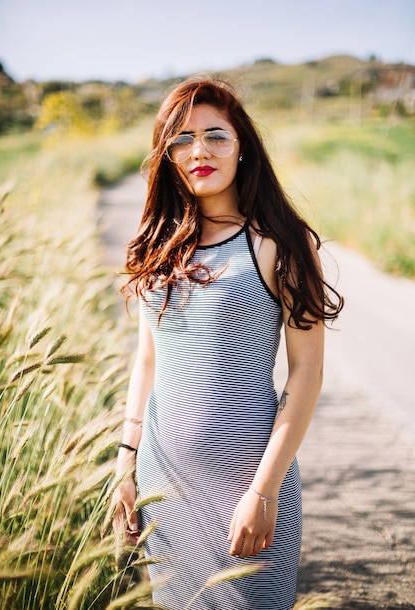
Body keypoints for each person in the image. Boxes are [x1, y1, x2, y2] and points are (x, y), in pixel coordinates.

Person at [113, 77, 343, 610]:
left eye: (216, 136)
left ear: (243, 144)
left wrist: (264, 493)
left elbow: (306, 372)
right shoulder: (158, 248)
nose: (199, 151)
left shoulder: (277, 243)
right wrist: (126, 463)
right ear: (167, 156)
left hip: (247, 480)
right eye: (181, 139)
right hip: (163, 481)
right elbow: (148, 361)